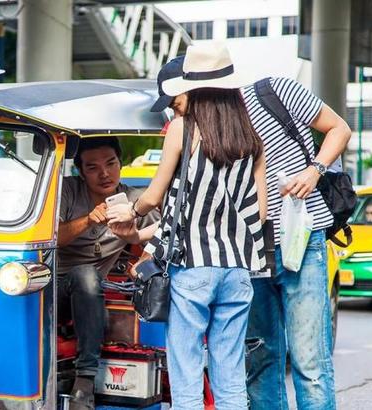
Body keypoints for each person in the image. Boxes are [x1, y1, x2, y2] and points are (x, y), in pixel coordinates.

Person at [109, 43, 268, 409]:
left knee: (186, 373)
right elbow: (259, 213)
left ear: (192, 87)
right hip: (238, 270)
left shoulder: (182, 128)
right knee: (230, 374)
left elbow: (153, 197)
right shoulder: (251, 137)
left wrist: (129, 211)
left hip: (193, 269)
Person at [237, 62, 351, 410]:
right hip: (250, 249)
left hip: (302, 238)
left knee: (309, 360)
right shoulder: (205, 124)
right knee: (261, 358)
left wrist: (314, 170)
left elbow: (340, 129)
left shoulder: (273, 90)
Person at [57, 136, 159, 409]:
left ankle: (85, 381)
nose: (104, 173)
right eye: (93, 167)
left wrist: (144, 260)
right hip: (55, 286)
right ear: (80, 171)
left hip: (92, 288)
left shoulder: (136, 201)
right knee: (84, 275)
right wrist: (89, 218)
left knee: (89, 277)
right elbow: (52, 237)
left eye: (111, 163)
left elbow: (166, 232)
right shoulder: (67, 190)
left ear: (121, 164)